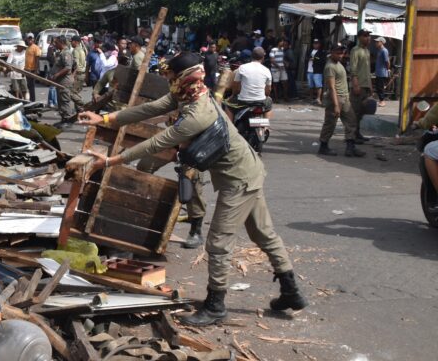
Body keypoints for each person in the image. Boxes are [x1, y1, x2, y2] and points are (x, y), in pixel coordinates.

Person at [78, 52, 307, 326]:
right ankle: (291, 292)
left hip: (239, 179)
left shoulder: (198, 113)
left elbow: (157, 142)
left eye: (172, 77)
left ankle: (215, 305)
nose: (169, 81)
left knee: (218, 244)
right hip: (248, 171)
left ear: (184, 78)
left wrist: (111, 161)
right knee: (263, 233)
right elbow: (148, 109)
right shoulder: (189, 95)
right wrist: (104, 119)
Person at [318, 44, 365, 157]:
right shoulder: (330, 66)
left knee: (351, 121)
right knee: (330, 123)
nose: (340, 54)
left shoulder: (338, 64)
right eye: (338, 52)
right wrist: (335, 105)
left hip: (344, 97)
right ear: (332, 52)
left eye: (342, 52)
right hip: (336, 97)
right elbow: (332, 87)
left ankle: (350, 147)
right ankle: (323, 146)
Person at [226, 47, 273, 121]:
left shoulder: (242, 68)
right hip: (260, 101)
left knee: (228, 106)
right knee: (269, 104)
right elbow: (268, 90)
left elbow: (235, 86)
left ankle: (230, 128)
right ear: (263, 57)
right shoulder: (267, 70)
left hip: (243, 101)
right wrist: (264, 96)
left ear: (252, 56)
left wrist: (233, 95)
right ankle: (266, 127)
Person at [349, 29, 373, 143]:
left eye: (368, 36)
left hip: (366, 85)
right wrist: (355, 84)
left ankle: (357, 133)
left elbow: (367, 70)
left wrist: (370, 86)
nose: (368, 38)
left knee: (361, 112)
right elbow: (353, 69)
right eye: (365, 36)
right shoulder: (355, 50)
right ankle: (351, 137)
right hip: (358, 85)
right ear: (359, 37)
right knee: (354, 112)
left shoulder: (367, 51)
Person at [51, 35, 75, 120]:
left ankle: (68, 119)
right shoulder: (61, 52)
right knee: (60, 101)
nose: (55, 44)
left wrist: (57, 75)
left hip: (65, 81)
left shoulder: (66, 53)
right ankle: (63, 118)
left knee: (65, 101)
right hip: (60, 81)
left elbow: (68, 68)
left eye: (56, 42)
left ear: (61, 42)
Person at [306, 39, 325, 106]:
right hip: (309, 70)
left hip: (317, 71)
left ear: (319, 44)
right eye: (314, 43)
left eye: (317, 43)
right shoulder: (310, 50)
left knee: (318, 85)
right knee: (310, 85)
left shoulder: (322, 51)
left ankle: (318, 98)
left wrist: (314, 59)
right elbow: (306, 57)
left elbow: (322, 60)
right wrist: (310, 58)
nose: (315, 44)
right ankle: (311, 98)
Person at [70, 36, 87, 109]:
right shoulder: (82, 50)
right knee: (76, 92)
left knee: (72, 93)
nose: (71, 43)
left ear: (76, 42)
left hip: (78, 73)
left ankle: (84, 104)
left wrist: (72, 76)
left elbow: (76, 64)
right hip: (82, 73)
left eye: (72, 41)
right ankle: (79, 109)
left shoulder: (76, 50)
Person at [24, 33, 41, 101]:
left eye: (31, 38)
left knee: (32, 86)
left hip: (32, 69)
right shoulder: (27, 48)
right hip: (27, 69)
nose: (30, 40)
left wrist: (36, 71)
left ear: (33, 39)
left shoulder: (36, 47)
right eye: (29, 38)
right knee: (29, 86)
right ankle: (31, 99)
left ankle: (33, 100)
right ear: (27, 39)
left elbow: (37, 59)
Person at [374, 37, 390, 106]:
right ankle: (381, 100)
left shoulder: (384, 51)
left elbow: (387, 61)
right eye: (376, 42)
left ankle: (382, 101)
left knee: (380, 87)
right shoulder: (379, 50)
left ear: (381, 42)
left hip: (382, 72)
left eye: (377, 42)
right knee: (378, 87)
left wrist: (387, 68)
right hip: (378, 72)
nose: (376, 43)